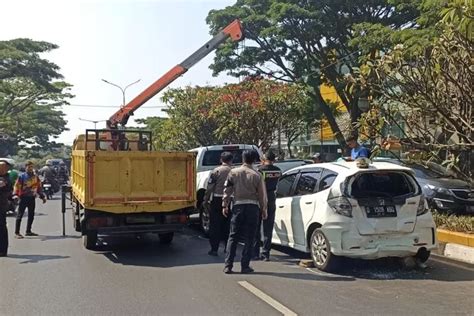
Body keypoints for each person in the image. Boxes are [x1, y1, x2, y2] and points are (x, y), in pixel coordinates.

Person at [222, 150, 267, 274]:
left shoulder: (233, 172)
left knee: (233, 236)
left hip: (238, 207)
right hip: (252, 208)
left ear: (242, 159)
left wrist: (225, 205)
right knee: (250, 237)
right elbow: (262, 195)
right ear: (253, 160)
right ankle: (245, 266)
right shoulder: (257, 175)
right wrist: (264, 209)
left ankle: (228, 265)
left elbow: (227, 190)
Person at [203, 151, 233, 256]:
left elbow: (210, 187)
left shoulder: (216, 171)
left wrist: (205, 200)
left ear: (221, 160)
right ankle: (227, 248)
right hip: (230, 200)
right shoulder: (234, 171)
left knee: (215, 225)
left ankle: (214, 249)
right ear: (231, 160)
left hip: (217, 199)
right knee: (228, 225)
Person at [253, 151, 281, 261]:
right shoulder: (278, 170)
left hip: (260, 197)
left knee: (256, 226)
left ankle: (255, 253)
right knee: (268, 227)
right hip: (271, 197)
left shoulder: (260, 170)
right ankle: (266, 253)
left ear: (264, 159)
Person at [13, 161, 46, 238]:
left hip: (32, 198)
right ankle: (17, 233)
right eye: (29, 167)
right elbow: (16, 186)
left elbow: (39, 188)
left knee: (31, 215)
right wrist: (15, 195)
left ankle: (28, 231)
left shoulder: (35, 177)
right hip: (23, 198)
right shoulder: (22, 176)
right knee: (19, 215)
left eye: (31, 167)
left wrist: (42, 197)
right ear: (26, 167)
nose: (30, 168)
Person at [0, 160, 14, 256]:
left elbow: (2, 184)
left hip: (1, 205)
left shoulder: (6, 179)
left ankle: (3, 250)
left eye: (3, 167)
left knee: (2, 228)